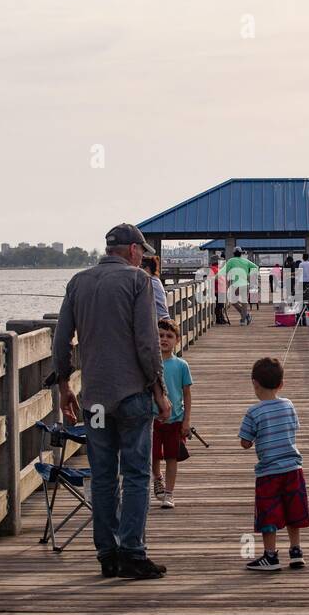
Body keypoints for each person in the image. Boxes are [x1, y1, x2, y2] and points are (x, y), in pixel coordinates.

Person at [53, 223, 170, 580]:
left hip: (95, 401)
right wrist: (159, 390)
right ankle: (132, 552)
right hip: (133, 395)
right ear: (134, 250)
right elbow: (148, 343)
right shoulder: (140, 282)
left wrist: (64, 387)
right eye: (142, 253)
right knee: (135, 475)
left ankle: (107, 554)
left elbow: (61, 341)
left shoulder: (78, 282)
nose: (143, 259)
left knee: (103, 477)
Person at [239, 356, 309, 572]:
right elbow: (293, 428)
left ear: (254, 383)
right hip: (293, 469)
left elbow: (245, 443)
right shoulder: (289, 405)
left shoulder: (253, 412)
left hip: (269, 472)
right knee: (293, 511)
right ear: (281, 384)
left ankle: (270, 556)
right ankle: (296, 551)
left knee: (268, 513)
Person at [151, 318, 193, 509]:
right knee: (152, 455)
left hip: (175, 419)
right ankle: (157, 477)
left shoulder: (181, 365)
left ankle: (169, 492)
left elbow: (187, 394)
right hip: (152, 418)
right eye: (160, 335)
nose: (164, 339)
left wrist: (186, 420)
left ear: (177, 340)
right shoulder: (150, 365)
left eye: (169, 336)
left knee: (171, 457)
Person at [223, 246, 258, 325]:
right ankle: (245, 318)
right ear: (241, 254)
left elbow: (225, 272)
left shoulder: (231, 261)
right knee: (243, 301)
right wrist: (248, 275)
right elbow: (256, 267)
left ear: (233, 253)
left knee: (233, 300)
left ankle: (244, 318)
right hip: (245, 283)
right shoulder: (245, 261)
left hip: (236, 284)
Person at [143, 254, 169, 320]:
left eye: (139, 267)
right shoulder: (156, 280)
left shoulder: (149, 282)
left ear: (147, 269)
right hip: (164, 318)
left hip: (159, 321)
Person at [209, 255, 230, 324]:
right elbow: (213, 278)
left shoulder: (216, 268)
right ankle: (219, 319)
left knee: (221, 305)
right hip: (218, 290)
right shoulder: (213, 269)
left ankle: (221, 317)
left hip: (220, 290)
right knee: (219, 305)